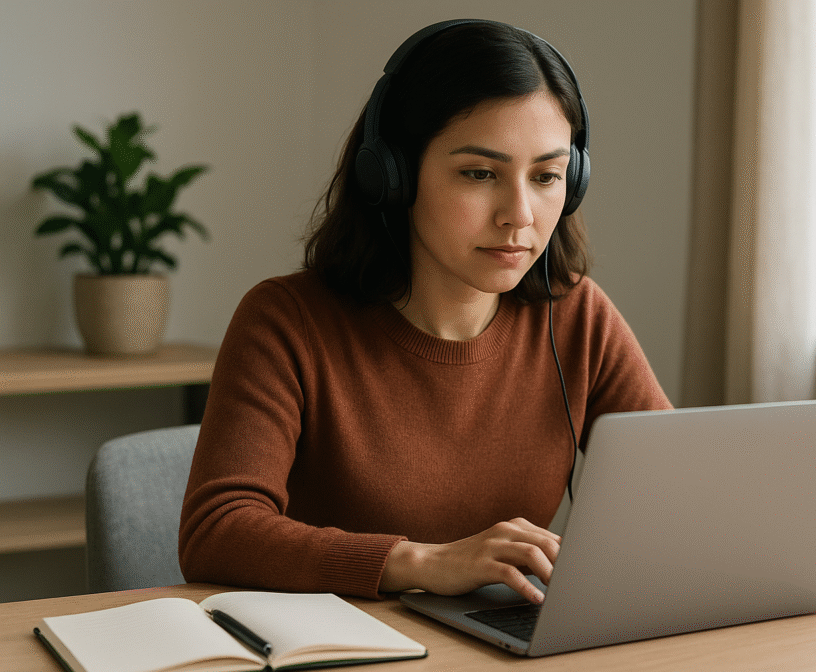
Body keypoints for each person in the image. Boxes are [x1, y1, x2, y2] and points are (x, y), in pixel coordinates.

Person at [178, 19, 672, 606]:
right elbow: (217, 531)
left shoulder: (577, 316)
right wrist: (419, 562)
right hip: (339, 652)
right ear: (393, 175)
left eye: (546, 176)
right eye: (480, 173)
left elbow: (677, 490)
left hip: (497, 651)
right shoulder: (285, 322)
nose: (520, 215)